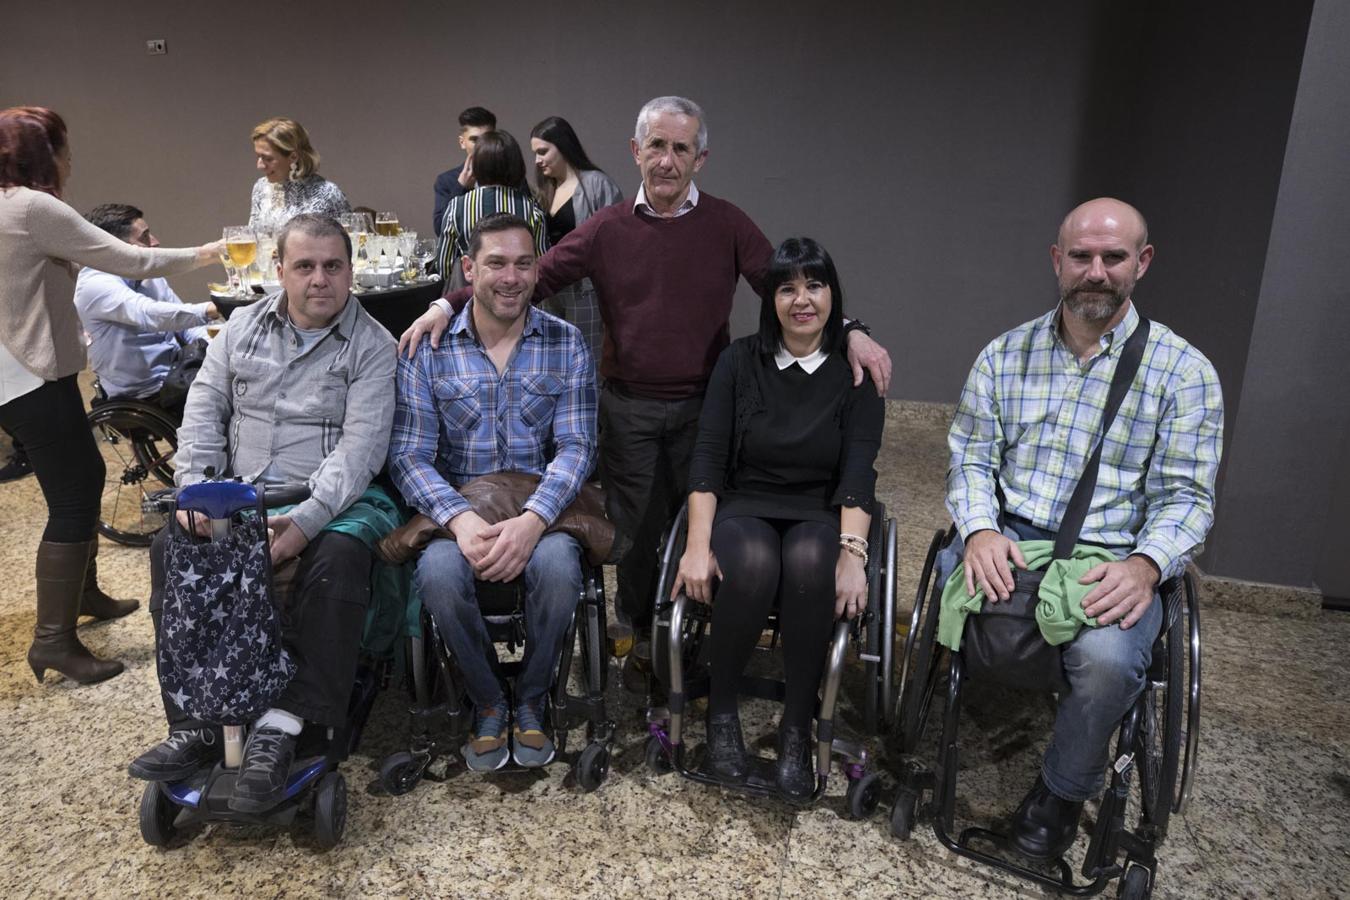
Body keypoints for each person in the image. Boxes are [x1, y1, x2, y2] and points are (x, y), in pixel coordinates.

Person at [403, 96, 892, 675]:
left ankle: (696, 641)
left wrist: (852, 329)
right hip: (628, 407)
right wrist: (444, 303)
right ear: (636, 151)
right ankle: (639, 639)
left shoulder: (728, 224)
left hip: (708, 408)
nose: (667, 160)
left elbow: (791, 290)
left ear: (700, 158)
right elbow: (529, 278)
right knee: (632, 534)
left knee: (702, 526)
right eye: (656, 146)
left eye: (680, 148)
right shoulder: (606, 228)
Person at [945, 197, 1223, 860]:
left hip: (1114, 554)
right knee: (961, 606)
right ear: (1057, 261)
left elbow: (1189, 498)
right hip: (1011, 532)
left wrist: (1147, 566)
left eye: (1113, 257)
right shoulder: (1004, 356)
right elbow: (973, 457)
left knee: (1105, 661)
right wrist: (980, 530)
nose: (1095, 271)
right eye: (1081, 256)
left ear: (1142, 263)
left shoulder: (1184, 374)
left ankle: (1060, 798)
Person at [128, 214, 396, 812]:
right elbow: (201, 416)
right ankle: (196, 721)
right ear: (280, 271)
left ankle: (289, 721)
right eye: (305, 266)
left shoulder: (374, 346)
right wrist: (195, 491)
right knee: (171, 549)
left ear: (352, 271)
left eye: (333, 266)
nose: (320, 279)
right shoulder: (240, 329)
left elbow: (360, 453)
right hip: (236, 496)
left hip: (322, 498)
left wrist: (303, 524)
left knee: (340, 556)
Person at [0, 106, 222, 685]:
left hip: (15, 376)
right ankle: (53, 642)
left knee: (82, 480)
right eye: (64, 147)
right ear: (43, 153)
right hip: (31, 377)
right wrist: (209, 253)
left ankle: (86, 593)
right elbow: (129, 259)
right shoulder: (31, 207)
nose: (71, 159)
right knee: (74, 498)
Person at [673, 237, 883, 798]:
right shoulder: (740, 361)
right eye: (787, 288)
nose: (801, 300)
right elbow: (709, 458)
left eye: (814, 285)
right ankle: (721, 713)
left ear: (833, 294)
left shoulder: (857, 372)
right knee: (756, 566)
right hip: (747, 502)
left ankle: (797, 725)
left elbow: (859, 474)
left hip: (819, 508)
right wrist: (697, 545)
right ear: (770, 299)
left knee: (813, 563)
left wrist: (854, 557)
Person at [389, 213, 595, 771]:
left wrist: (533, 519)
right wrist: (459, 519)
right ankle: (486, 698)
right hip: (460, 511)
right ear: (468, 268)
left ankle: (530, 698)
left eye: (524, 263)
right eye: (497, 263)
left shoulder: (566, 343)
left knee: (558, 570)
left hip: (541, 511)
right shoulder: (427, 349)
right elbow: (408, 454)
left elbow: (576, 446)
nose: (511, 277)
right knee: (436, 573)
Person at [74, 203, 220, 414]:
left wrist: (218, 344)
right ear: (116, 247)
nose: (155, 242)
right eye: (144, 237)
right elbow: (150, 314)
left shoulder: (149, 276)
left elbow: (185, 327)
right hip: (145, 391)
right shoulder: (94, 285)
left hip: (177, 373)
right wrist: (213, 309)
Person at [529, 116, 624, 364]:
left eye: (542, 152)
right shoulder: (545, 191)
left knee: (586, 358)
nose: (537, 161)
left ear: (562, 146)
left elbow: (615, 241)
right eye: (535, 154)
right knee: (552, 360)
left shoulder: (597, 184)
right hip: (550, 289)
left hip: (585, 290)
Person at [433, 130, 548, 281]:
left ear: (477, 165)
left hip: (474, 292)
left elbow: (443, 266)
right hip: (517, 290)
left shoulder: (457, 206)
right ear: (516, 164)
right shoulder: (531, 208)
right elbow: (541, 261)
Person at [248, 117, 350, 235]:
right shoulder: (261, 187)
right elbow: (252, 236)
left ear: (293, 157)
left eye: (268, 158)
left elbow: (348, 245)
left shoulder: (328, 193)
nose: (259, 166)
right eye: (258, 157)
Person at [432, 106, 496, 236]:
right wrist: (461, 187)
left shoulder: (511, 176)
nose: (481, 145)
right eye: (474, 139)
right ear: (462, 142)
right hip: (462, 254)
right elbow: (440, 229)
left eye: (486, 138)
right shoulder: (447, 181)